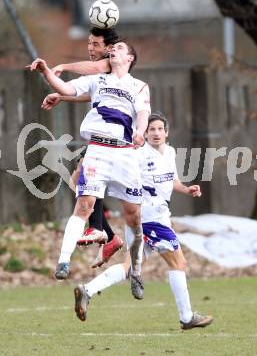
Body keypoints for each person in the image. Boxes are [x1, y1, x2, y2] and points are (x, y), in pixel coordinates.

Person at [29, 40, 151, 298]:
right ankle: (63, 262)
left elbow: (142, 113)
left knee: (134, 217)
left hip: (124, 153)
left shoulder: (138, 86)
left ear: (130, 58)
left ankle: (136, 271)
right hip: (97, 150)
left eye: (119, 48)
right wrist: (47, 72)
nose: (113, 50)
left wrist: (140, 132)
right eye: (112, 48)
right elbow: (67, 88)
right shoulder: (98, 80)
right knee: (84, 205)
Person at [73, 112, 213, 330]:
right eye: (151, 129)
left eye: (159, 129)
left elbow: (172, 180)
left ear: (166, 132)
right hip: (149, 218)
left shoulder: (170, 152)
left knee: (130, 267)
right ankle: (187, 317)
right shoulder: (136, 155)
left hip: (156, 218)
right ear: (144, 134)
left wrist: (187, 189)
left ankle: (87, 290)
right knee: (179, 263)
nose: (156, 133)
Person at [37, 27, 124, 268]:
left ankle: (107, 235)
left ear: (108, 49)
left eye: (95, 44)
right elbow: (87, 92)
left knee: (132, 210)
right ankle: (106, 234)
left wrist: (63, 67)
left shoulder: (113, 64)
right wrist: (62, 96)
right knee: (78, 181)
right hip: (101, 142)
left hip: (119, 144)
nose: (90, 48)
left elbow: (96, 68)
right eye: (88, 43)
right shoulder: (101, 77)